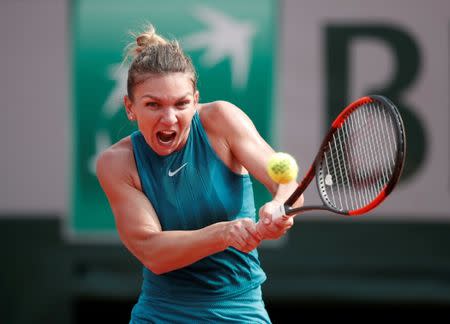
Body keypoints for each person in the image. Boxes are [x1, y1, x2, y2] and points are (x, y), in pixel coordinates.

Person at [96, 24, 304, 323]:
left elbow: (287, 185)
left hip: (239, 309)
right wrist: (223, 234)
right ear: (130, 107)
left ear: (195, 100)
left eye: (181, 104)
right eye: (153, 104)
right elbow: (153, 252)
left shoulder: (222, 119)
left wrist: (279, 207)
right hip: (161, 313)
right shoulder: (116, 163)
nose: (169, 118)